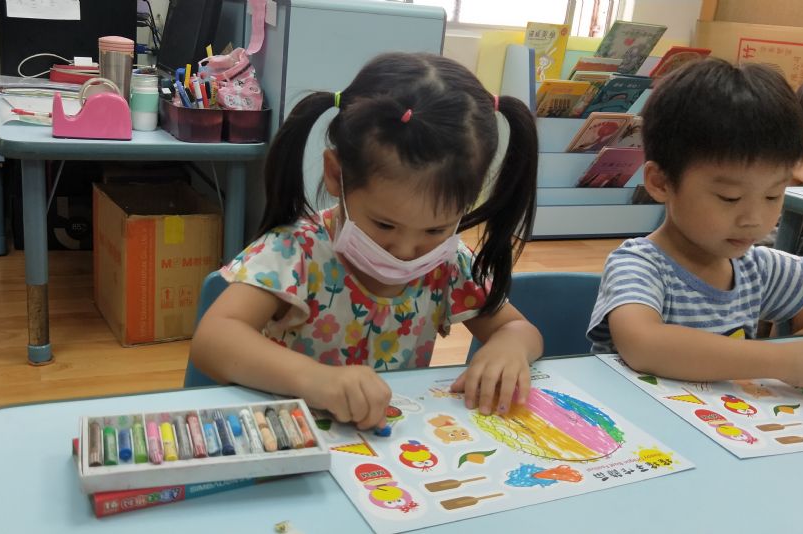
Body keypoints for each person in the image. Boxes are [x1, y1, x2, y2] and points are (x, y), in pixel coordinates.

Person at [191, 52, 543, 430]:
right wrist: (314, 379)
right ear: (335, 175)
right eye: (385, 225)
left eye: (435, 230)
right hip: (293, 437)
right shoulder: (295, 253)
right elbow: (213, 340)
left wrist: (510, 346)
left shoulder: (448, 264)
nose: (406, 251)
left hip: (386, 448)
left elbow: (521, 330)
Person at [587, 58, 803, 387]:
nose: (754, 220)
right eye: (730, 198)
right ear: (661, 183)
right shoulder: (639, 265)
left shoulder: (756, 267)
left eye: (772, 196)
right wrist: (785, 361)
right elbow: (644, 345)